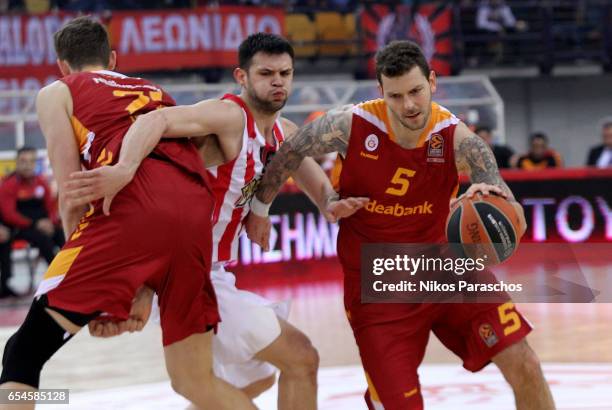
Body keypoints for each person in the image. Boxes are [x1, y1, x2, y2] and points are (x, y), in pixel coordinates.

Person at [64, 32, 368, 410]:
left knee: (251, 379)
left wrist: (332, 203)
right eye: (266, 73)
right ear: (242, 77)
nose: (277, 81)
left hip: (211, 271)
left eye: (285, 73)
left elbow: (317, 186)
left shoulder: (283, 132)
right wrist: (124, 169)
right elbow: (154, 120)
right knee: (301, 357)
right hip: (188, 272)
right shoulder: (227, 116)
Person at [247, 40, 556, 410]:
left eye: (416, 91)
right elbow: (290, 148)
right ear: (381, 92)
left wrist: (498, 201)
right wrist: (261, 208)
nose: (408, 105)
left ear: (433, 82)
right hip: (377, 287)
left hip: (445, 268)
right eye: (396, 96)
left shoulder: (457, 138)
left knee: (525, 363)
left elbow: (502, 197)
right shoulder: (352, 124)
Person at [0, 16, 255, 410]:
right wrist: (140, 286)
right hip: (193, 214)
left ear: (62, 66)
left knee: (22, 355)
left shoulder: (57, 91)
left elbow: (73, 192)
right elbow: (179, 185)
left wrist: (102, 294)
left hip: (134, 210)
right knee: (195, 381)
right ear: (113, 59)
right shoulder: (153, 90)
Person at [0, 147, 64, 266]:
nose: (27, 165)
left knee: (62, 235)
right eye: (23, 161)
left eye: (31, 161)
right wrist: (35, 224)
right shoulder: (8, 185)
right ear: (17, 162)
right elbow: (9, 215)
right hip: (20, 228)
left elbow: (50, 208)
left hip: (42, 224)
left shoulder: (41, 182)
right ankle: (56, 275)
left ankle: (70, 271)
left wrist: (50, 223)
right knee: (43, 239)